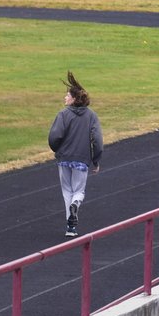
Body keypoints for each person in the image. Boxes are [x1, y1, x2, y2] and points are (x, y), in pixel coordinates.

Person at [49, 71, 104, 238]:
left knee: (67, 190)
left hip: (64, 159)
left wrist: (57, 151)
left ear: (73, 98)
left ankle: (70, 226)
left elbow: (54, 136)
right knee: (78, 191)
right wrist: (96, 158)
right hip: (81, 160)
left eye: (67, 96)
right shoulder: (91, 116)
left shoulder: (63, 115)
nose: (65, 98)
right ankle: (75, 208)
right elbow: (97, 139)